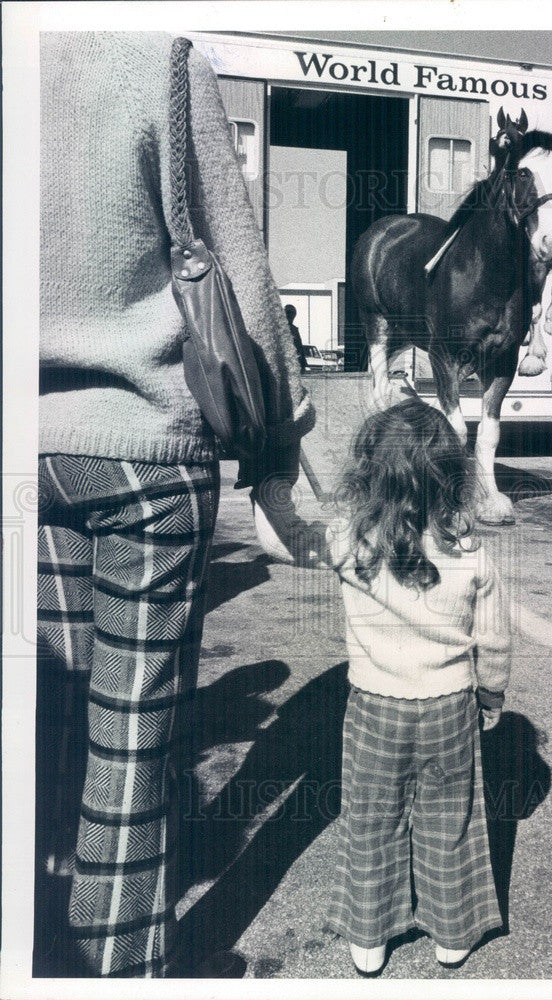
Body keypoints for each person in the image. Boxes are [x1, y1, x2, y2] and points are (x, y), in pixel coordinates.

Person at [38, 32, 313, 977]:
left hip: (29, 451)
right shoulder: (161, 61)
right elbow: (236, 265)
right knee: (128, 763)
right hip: (149, 453)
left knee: (52, 738)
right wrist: (279, 443)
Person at [322, 398, 511, 976]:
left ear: (368, 471)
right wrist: (492, 695)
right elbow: (495, 640)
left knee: (372, 817)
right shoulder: (471, 552)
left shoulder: (348, 542)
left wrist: (270, 478)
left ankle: (370, 937)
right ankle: (452, 934)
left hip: (375, 705)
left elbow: (280, 537)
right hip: (451, 704)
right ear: (453, 477)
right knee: (447, 816)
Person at [285, 303, 309, 373]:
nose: (289, 315)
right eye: (288, 313)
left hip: (294, 362)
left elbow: (299, 347)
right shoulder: (280, 329)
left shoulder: (294, 329)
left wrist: (303, 364)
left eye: (291, 313)